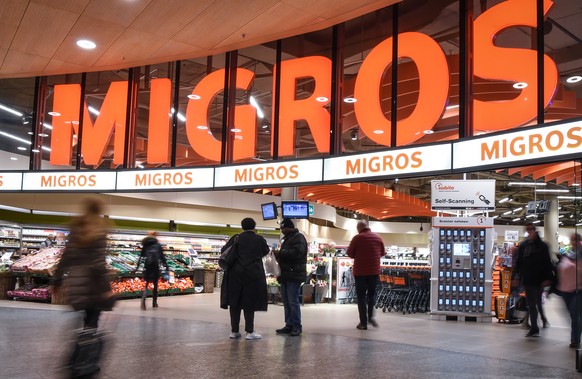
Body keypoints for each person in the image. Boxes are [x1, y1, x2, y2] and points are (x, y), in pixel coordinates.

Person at [53, 198, 114, 329]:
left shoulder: (76, 228)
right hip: (93, 284)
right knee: (92, 323)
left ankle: (81, 342)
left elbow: (66, 257)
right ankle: (86, 345)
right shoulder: (99, 230)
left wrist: (57, 280)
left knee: (84, 319)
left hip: (76, 282)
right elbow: (98, 263)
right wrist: (107, 288)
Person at [220, 217, 269, 340]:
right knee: (249, 303)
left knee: (234, 303)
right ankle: (249, 332)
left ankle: (234, 331)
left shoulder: (236, 238)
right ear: (254, 226)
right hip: (252, 275)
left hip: (234, 275)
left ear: (242, 226)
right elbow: (266, 251)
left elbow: (224, 251)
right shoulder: (259, 239)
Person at [513, 222, 554, 338]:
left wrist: (548, 278)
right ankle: (534, 327)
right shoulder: (524, 245)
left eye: (531, 229)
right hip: (528, 279)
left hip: (539, 280)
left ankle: (537, 324)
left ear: (535, 230)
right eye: (528, 229)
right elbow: (519, 263)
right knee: (531, 304)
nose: (530, 231)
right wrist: (516, 277)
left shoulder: (542, 246)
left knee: (536, 303)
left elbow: (547, 263)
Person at [347, 220, 385, 330]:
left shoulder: (357, 238)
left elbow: (350, 253)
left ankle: (363, 323)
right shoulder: (378, 237)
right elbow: (382, 253)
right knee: (371, 295)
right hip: (374, 272)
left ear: (359, 228)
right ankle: (371, 317)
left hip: (360, 273)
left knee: (361, 297)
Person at [273, 218, 307, 337]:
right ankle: (289, 325)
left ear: (289, 227)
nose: (282, 230)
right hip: (286, 275)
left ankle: (297, 326)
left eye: (283, 228)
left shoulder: (298, 237)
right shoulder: (287, 239)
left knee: (293, 302)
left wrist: (280, 253)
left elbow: (298, 253)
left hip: (294, 274)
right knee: (287, 302)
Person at [556, 233, 582, 348]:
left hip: (578, 290)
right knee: (573, 315)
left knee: (575, 315)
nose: (574, 242)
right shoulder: (567, 254)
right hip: (565, 290)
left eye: (576, 240)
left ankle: (575, 340)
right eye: (572, 240)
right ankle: (576, 335)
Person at [137, 231, 169, 310]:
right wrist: (166, 266)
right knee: (155, 285)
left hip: (147, 266)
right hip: (155, 266)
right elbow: (162, 257)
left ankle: (144, 297)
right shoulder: (158, 245)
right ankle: (154, 302)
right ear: (155, 236)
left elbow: (141, 256)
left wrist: (137, 267)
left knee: (147, 284)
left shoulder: (146, 245)